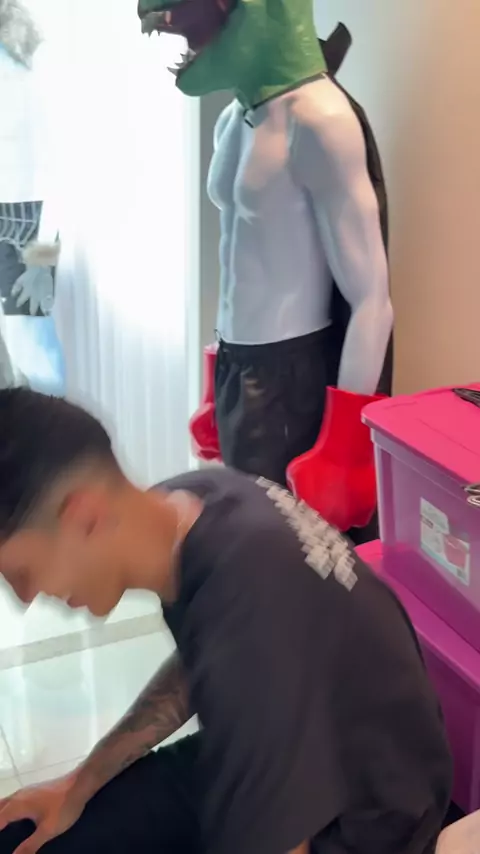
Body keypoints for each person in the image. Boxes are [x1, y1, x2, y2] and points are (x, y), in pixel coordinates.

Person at [0, 389, 451, 854]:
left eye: (22, 573)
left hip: (363, 822)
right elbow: (205, 666)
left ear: (85, 517)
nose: (26, 598)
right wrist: (79, 784)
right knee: (24, 836)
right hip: (295, 758)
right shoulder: (196, 503)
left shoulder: (251, 612)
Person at [139, 0, 393, 542]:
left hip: (292, 375)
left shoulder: (320, 119)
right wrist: (217, 380)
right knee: (250, 540)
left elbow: (372, 298)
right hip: (241, 363)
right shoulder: (234, 119)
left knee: (291, 553)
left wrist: (346, 450)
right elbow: (236, 254)